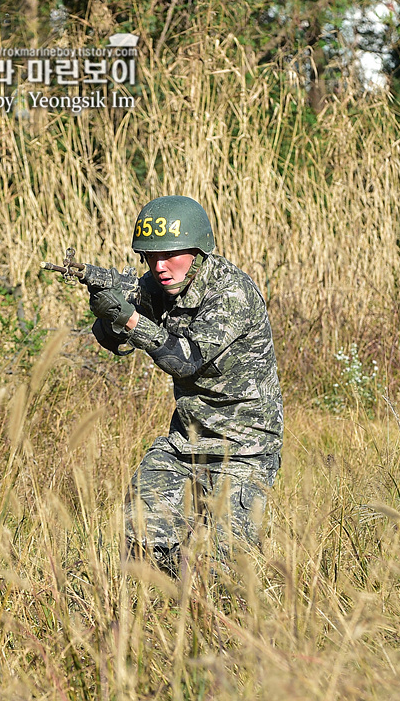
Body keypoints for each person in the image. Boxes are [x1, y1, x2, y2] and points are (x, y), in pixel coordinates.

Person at [88, 195, 283, 576]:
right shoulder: (157, 283)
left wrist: (128, 319)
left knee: (219, 573)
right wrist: (106, 306)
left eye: (171, 255)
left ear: (198, 249)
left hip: (244, 449)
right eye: (150, 257)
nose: (160, 267)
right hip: (186, 443)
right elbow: (114, 340)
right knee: (139, 546)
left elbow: (186, 359)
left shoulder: (231, 293)